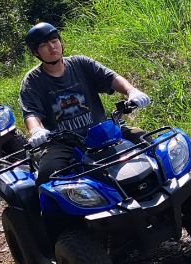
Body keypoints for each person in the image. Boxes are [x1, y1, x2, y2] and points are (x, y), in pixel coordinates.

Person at [19, 22, 151, 185]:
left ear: (61, 42)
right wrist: (37, 130)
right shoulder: (32, 80)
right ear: (35, 53)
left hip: (102, 131)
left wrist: (131, 91)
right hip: (63, 143)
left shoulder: (80, 63)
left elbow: (110, 78)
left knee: (144, 139)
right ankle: (41, 210)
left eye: (54, 41)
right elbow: (31, 112)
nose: (52, 47)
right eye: (44, 45)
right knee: (48, 175)